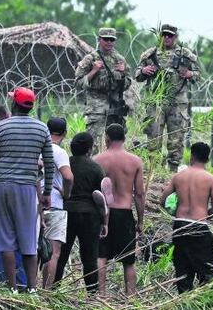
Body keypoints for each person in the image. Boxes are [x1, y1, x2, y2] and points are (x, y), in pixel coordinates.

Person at [0, 87, 55, 291]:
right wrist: (47, 193)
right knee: (28, 238)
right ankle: (31, 288)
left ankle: (12, 288)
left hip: (2, 187)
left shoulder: (0, 127)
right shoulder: (42, 129)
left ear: (14, 104)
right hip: (27, 188)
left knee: (6, 240)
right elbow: (48, 162)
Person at [135, 23, 200, 169]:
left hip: (177, 102)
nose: (167, 38)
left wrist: (190, 74)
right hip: (156, 101)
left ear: (175, 37)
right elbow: (137, 74)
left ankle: (173, 168)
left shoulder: (186, 55)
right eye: (164, 35)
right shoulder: (150, 54)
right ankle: (154, 168)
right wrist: (144, 71)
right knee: (154, 135)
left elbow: (197, 75)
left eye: (170, 35)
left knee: (176, 137)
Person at [161, 142, 213, 292]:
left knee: (182, 269)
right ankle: (203, 302)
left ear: (192, 157)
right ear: (207, 159)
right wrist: (205, 214)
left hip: (180, 225)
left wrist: (175, 211)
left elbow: (162, 200)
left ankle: (184, 301)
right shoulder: (211, 179)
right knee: (207, 272)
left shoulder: (178, 177)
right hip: (199, 225)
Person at [51, 132, 107, 292]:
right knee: (90, 256)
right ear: (89, 149)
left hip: (66, 213)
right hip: (90, 217)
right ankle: (92, 293)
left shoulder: (66, 164)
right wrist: (104, 221)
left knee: (60, 254)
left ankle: (53, 289)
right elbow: (100, 199)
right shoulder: (96, 168)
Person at [94, 123, 145, 296]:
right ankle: (130, 297)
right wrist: (140, 220)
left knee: (101, 256)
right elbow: (139, 194)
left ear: (106, 139)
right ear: (124, 139)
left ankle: (100, 296)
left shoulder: (97, 160)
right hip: (124, 213)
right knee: (129, 260)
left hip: (104, 214)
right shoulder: (135, 161)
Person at [74, 27, 131, 145]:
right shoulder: (90, 59)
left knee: (114, 144)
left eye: (112, 40)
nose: (109, 42)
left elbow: (127, 84)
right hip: (96, 107)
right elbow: (78, 83)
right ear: (99, 39)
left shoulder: (120, 60)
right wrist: (93, 71)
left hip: (115, 107)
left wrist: (122, 74)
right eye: (106, 39)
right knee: (95, 143)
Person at [41, 117, 74, 288]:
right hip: (54, 203)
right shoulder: (59, 152)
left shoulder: (37, 147)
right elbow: (68, 176)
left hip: (34, 203)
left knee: (31, 249)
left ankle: (29, 287)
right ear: (64, 134)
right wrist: (66, 193)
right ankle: (45, 290)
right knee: (53, 252)